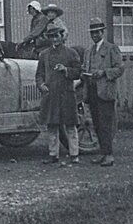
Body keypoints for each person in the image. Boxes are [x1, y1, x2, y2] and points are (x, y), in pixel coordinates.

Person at [35, 26, 83, 166]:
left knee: (70, 125)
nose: (55, 39)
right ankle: (53, 155)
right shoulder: (44, 55)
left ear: (62, 37)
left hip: (66, 94)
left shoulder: (71, 53)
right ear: (49, 39)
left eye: (57, 36)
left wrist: (66, 70)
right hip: (51, 95)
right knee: (52, 126)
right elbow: (39, 74)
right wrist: (41, 85)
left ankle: (74, 154)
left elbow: (78, 72)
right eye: (52, 37)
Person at [82, 17, 125, 167]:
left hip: (105, 91)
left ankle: (109, 155)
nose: (94, 35)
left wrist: (104, 73)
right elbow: (85, 68)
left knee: (106, 123)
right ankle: (102, 152)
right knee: (97, 124)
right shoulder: (88, 51)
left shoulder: (111, 48)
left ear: (102, 32)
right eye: (92, 32)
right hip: (92, 90)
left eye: (97, 32)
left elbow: (120, 69)